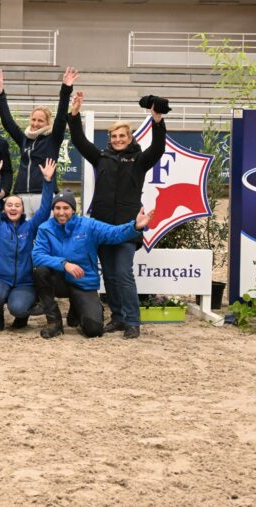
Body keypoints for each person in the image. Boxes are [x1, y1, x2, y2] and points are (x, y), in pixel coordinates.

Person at [67, 91, 168, 339]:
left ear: (130, 137)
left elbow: (158, 148)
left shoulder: (140, 160)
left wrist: (157, 120)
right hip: (102, 227)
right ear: (110, 139)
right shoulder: (101, 158)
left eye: (122, 135)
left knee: (123, 274)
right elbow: (79, 140)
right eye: (114, 136)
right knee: (110, 276)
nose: (118, 139)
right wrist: (74, 114)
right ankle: (118, 318)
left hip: (128, 227)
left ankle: (133, 321)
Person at [32, 191, 154, 339]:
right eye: (57, 208)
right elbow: (37, 256)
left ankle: (78, 307)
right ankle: (54, 322)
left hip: (82, 281)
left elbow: (113, 233)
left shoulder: (88, 225)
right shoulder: (45, 228)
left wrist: (134, 226)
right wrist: (64, 264)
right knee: (41, 271)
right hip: (59, 280)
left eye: (66, 208)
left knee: (94, 330)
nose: (61, 212)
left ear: (73, 209)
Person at [0, 154, 56, 331]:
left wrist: (48, 182)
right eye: (9, 205)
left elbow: (45, 210)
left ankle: (22, 317)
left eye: (17, 205)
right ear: (4, 208)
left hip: (24, 282)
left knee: (19, 308)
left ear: (23, 209)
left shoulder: (30, 227)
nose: (13, 208)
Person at [0, 66, 78, 216]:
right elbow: (7, 122)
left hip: (43, 194)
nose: (36, 123)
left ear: (47, 122)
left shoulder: (53, 138)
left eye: (40, 120)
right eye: (33, 119)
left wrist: (66, 89)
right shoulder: (24, 139)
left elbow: (61, 116)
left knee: (43, 231)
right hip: (21, 195)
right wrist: (0, 93)